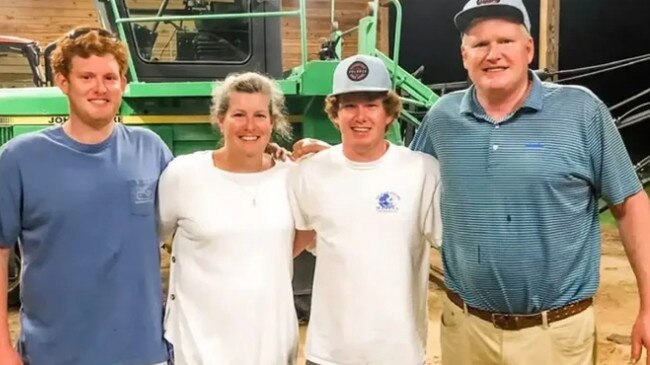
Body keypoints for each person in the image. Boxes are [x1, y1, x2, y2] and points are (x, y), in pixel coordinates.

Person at [407, 1, 650, 364]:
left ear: (529, 48)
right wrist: (340, 156)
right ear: (464, 55)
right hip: (466, 332)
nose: (494, 54)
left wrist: (648, 306)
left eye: (505, 40)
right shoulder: (442, 119)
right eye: (480, 44)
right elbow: (399, 179)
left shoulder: (581, 112)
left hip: (556, 336)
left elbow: (629, 204)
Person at [0, 27, 171, 365]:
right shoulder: (19, 158)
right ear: (63, 82)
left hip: (143, 354)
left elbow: (207, 209)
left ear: (123, 83)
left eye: (110, 77)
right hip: (54, 355)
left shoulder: (150, 148)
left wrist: (274, 159)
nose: (100, 88)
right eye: (87, 77)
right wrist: (3, 350)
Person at [288, 54, 442, 365]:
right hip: (329, 353)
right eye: (349, 106)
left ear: (388, 114)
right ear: (335, 115)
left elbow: (453, 246)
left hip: (399, 352)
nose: (361, 116)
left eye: (371, 105)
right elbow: (291, 243)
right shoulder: (309, 172)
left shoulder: (421, 171)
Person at [157, 72, 312, 365]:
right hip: (198, 347)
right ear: (220, 119)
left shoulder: (291, 177)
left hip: (271, 347)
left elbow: (305, 233)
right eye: (238, 114)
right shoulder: (184, 174)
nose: (250, 126)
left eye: (260, 115)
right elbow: (152, 238)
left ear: (272, 122)